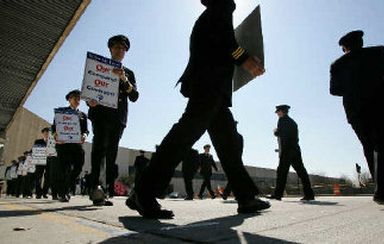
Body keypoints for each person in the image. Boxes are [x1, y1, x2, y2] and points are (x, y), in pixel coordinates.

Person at [129, 0, 269, 219]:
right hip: (209, 85)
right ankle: (143, 192)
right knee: (185, 134)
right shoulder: (221, 8)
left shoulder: (213, 12)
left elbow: (222, 42)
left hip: (214, 88)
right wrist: (245, 59)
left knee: (228, 143)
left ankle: (245, 196)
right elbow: (227, 42)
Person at [330, 30, 384, 210]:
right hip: (382, 107)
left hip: (356, 113)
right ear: (361, 43)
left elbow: (335, 90)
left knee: (370, 147)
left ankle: (381, 189)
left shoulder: (338, 64)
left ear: (345, 48)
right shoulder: (379, 54)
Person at [87, 35, 139, 206]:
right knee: (99, 150)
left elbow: (134, 96)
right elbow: (89, 90)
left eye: (123, 49)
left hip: (117, 118)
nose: (120, 51)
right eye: (117, 47)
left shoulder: (129, 73)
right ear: (110, 49)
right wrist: (90, 101)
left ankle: (108, 189)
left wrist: (123, 79)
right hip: (101, 115)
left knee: (112, 154)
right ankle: (95, 188)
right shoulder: (99, 67)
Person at [268, 105, 315, 201]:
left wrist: (276, 132)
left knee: (282, 172)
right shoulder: (292, 122)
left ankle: (278, 194)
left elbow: (284, 135)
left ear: (283, 112)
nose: (277, 113)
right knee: (301, 172)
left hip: (287, 150)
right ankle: (309, 194)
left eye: (278, 111)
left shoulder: (282, 121)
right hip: (295, 149)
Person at [53, 90, 89, 202]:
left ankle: (67, 187)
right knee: (64, 169)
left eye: (79, 98)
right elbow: (54, 128)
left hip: (76, 146)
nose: (77, 100)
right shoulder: (62, 113)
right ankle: (63, 192)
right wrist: (56, 136)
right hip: (64, 146)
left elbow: (86, 130)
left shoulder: (83, 115)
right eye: (75, 98)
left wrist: (84, 135)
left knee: (78, 167)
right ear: (69, 99)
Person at [33, 127, 51, 199]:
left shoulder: (53, 142)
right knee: (38, 178)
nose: (47, 134)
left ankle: (45, 192)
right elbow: (35, 150)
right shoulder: (38, 141)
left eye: (48, 133)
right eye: (45, 132)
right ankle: (38, 193)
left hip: (49, 162)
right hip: (39, 162)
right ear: (43, 133)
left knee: (48, 178)